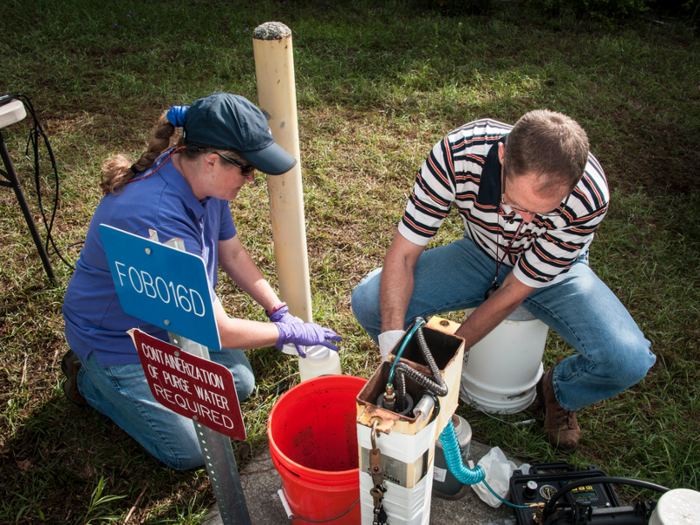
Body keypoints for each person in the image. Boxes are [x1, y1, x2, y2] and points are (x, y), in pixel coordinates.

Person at [61, 93, 341, 470]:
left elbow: (233, 253)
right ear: (212, 160)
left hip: (171, 322)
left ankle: (144, 384)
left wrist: (278, 310)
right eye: (246, 169)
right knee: (190, 452)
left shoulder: (203, 181)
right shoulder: (155, 215)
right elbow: (216, 329)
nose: (251, 178)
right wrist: (286, 335)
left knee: (240, 383)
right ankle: (90, 380)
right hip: (119, 341)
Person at [351, 110, 655, 451]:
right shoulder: (457, 155)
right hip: (480, 253)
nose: (526, 220)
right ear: (502, 156)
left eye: (543, 213)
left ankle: (560, 391)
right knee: (368, 303)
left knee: (627, 360)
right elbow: (404, 254)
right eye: (516, 202)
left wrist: (443, 365)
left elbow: (514, 290)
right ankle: (412, 367)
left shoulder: (589, 195)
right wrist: (392, 341)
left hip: (554, 273)